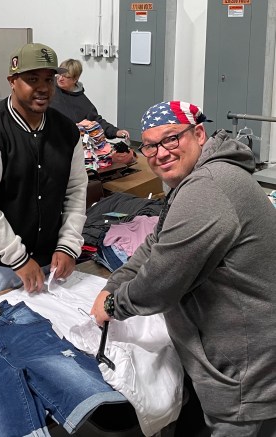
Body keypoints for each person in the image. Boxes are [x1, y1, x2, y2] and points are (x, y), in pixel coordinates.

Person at [90, 101, 276, 436]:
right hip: (228, 352)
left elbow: (161, 283)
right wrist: (112, 283)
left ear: (199, 133)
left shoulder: (208, 188)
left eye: (171, 139)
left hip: (242, 368)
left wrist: (112, 304)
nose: (160, 153)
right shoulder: (196, 181)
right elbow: (154, 244)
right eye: (150, 145)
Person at [0, 43, 88, 303]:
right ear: (12, 81)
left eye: (48, 80)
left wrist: (68, 245)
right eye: (31, 79)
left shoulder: (66, 132)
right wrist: (17, 258)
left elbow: (75, 191)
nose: (43, 88)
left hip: (45, 260)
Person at [49, 58, 129, 140]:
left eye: (65, 76)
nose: (60, 78)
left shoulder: (84, 103)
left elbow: (96, 122)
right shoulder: (48, 86)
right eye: (59, 74)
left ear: (75, 79)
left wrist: (115, 132)